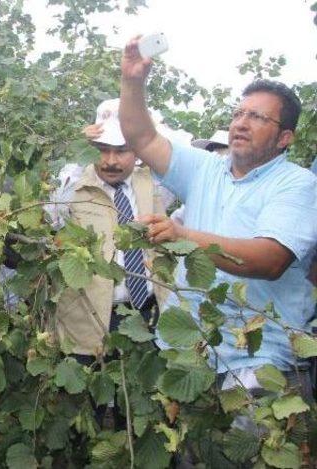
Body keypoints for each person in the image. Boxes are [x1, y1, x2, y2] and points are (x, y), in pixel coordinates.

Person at [119, 36, 317, 401]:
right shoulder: (206, 169)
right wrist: (133, 81)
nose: (241, 123)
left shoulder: (298, 185)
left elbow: (270, 259)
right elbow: (142, 137)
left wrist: (183, 236)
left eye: (257, 117)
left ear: (285, 137)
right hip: (189, 355)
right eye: (239, 113)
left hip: (257, 364)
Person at [48, 98, 169, 427]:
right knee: (85, 417)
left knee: (146, 415)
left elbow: (185, 150)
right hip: (86, 319)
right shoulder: (72, 184)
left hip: (146, 317)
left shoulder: (154, 184)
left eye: (122, 149)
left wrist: (146, 128)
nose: (111, 161)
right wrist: (78, 150)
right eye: (102, 149)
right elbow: (49, 218)